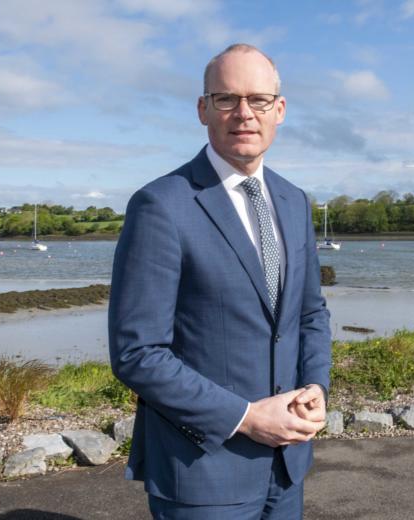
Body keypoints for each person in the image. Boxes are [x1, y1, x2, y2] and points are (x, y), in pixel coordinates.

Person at [108, 43, 331, 519]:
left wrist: (316, 387)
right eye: (227, 99)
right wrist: (247, 417)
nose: (244, 113)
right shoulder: (161, 205)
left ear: (281, 110)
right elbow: (137, 352)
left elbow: (310, 313)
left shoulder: (294, 202)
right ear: (203, 109)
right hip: (203, 474)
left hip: (287, 468)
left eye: (259, 100)